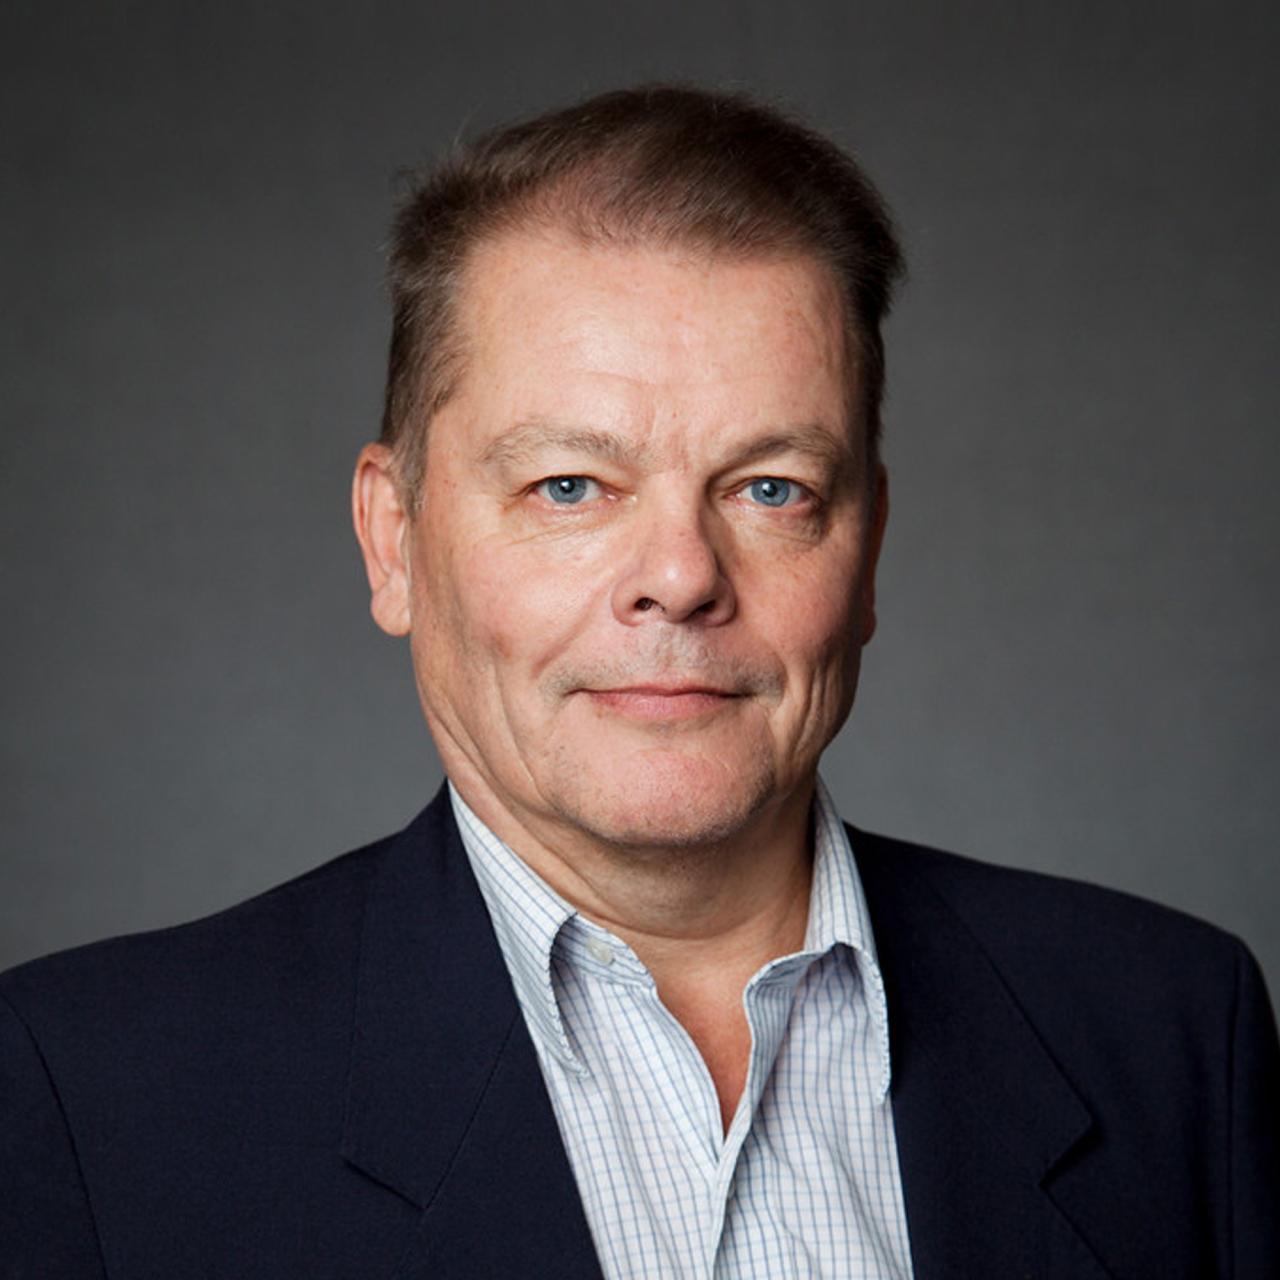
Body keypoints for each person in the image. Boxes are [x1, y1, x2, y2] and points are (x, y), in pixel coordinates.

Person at [1, 85, 1276, 1280]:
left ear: (867, 546)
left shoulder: (1170, 1034)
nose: (678, 575)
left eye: (770, 487)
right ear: (394, 538)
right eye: (569, 485)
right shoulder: (83, 1093)